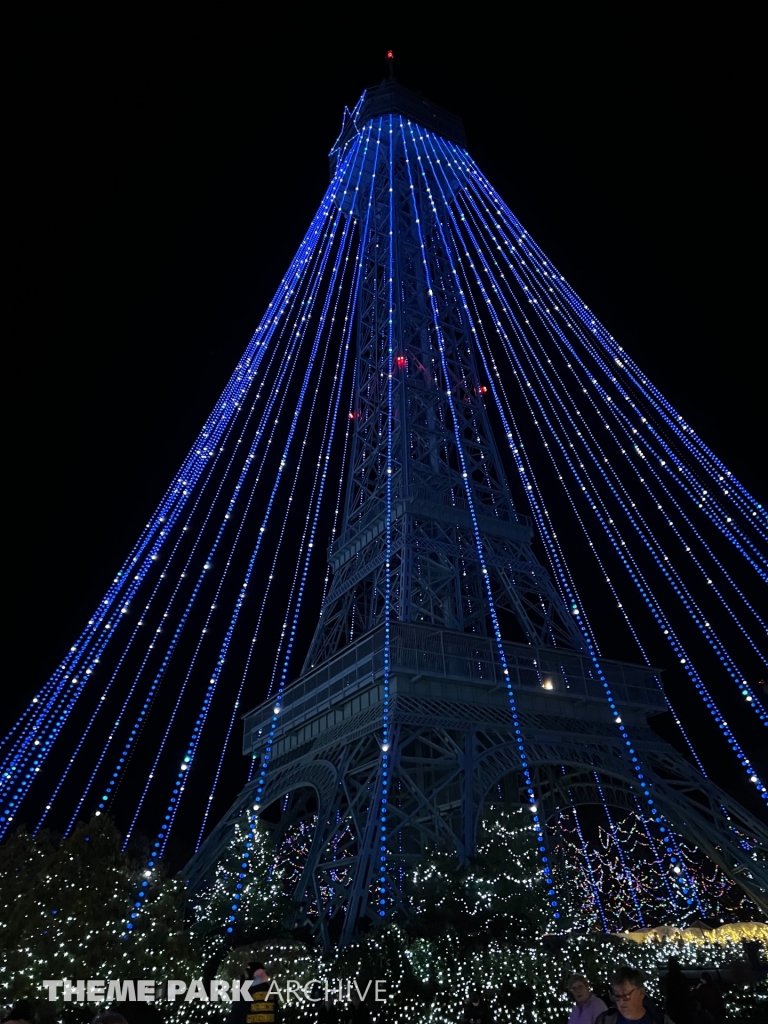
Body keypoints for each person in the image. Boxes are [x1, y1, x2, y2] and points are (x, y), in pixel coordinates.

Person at [595, 968, 664, 1024]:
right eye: (617, 995)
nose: (621, 1001)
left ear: (641, 993)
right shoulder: (604, 1020)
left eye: (626, 995)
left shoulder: (661, 1021)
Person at [661, 957, 692, 1024]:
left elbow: (666, 990)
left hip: (673, 1004)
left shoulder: (669, 977)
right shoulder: (682, 977)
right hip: (682, 1004)